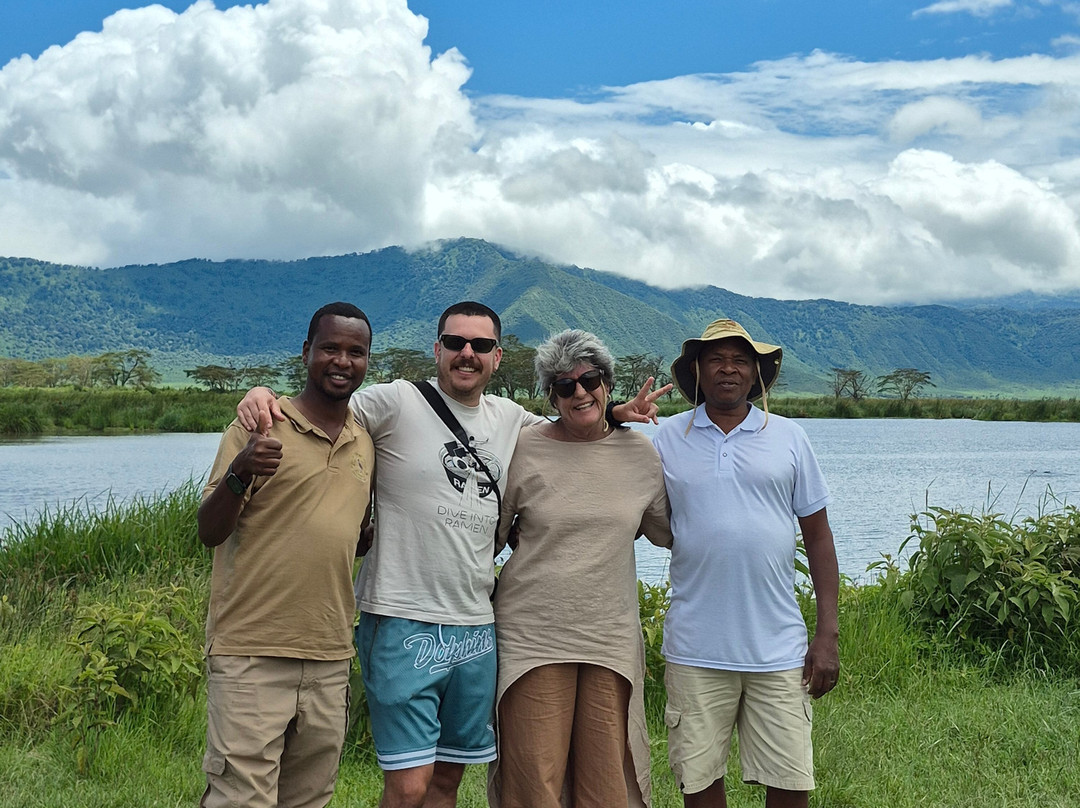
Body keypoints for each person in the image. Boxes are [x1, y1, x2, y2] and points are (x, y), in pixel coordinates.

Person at [235, 302, 665, 808]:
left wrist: (611, 412)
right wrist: (266, 396)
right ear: (436, 349)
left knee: (446, 782)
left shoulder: (512, 421)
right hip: (402, 617)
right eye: (456, 343)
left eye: (480, 345)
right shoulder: (395, 402)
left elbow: (571, 422)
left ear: (497, 357)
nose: (468, 353)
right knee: (410, 783)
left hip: (476, 625)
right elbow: (326, 407)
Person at [652, 319, 840, 808]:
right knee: (699, 784)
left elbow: (818, 537)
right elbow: (617, 497)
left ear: (757, 373)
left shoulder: (790, 438)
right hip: (695, 648)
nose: (728, 369)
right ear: (697, 370)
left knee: (790, 784)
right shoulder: (665, 438)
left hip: (778, 649)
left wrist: (826, 635)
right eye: (715, 359)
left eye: (740, 360)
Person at [197, 301, 375, 808]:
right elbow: (209, 531)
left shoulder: (365, 442)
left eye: (355, 352)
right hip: (251, 653)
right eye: (330, 348)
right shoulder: (260, 426)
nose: (342, 361)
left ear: (367, 362)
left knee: (309, 799)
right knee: (240, 799)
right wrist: (241, 471)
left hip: (329, 657)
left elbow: (355, 533)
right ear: (306, 353)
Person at [488, 329, 673, 808]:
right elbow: (488, 533)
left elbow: (671, 532)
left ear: (607, 382)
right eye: (564, 386)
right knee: (534, 780)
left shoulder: (641, 454)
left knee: (608, 779)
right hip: (532, 633)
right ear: (551, 396)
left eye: (589, 379)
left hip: (608, 635)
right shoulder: (524, 447)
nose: (580, 392)